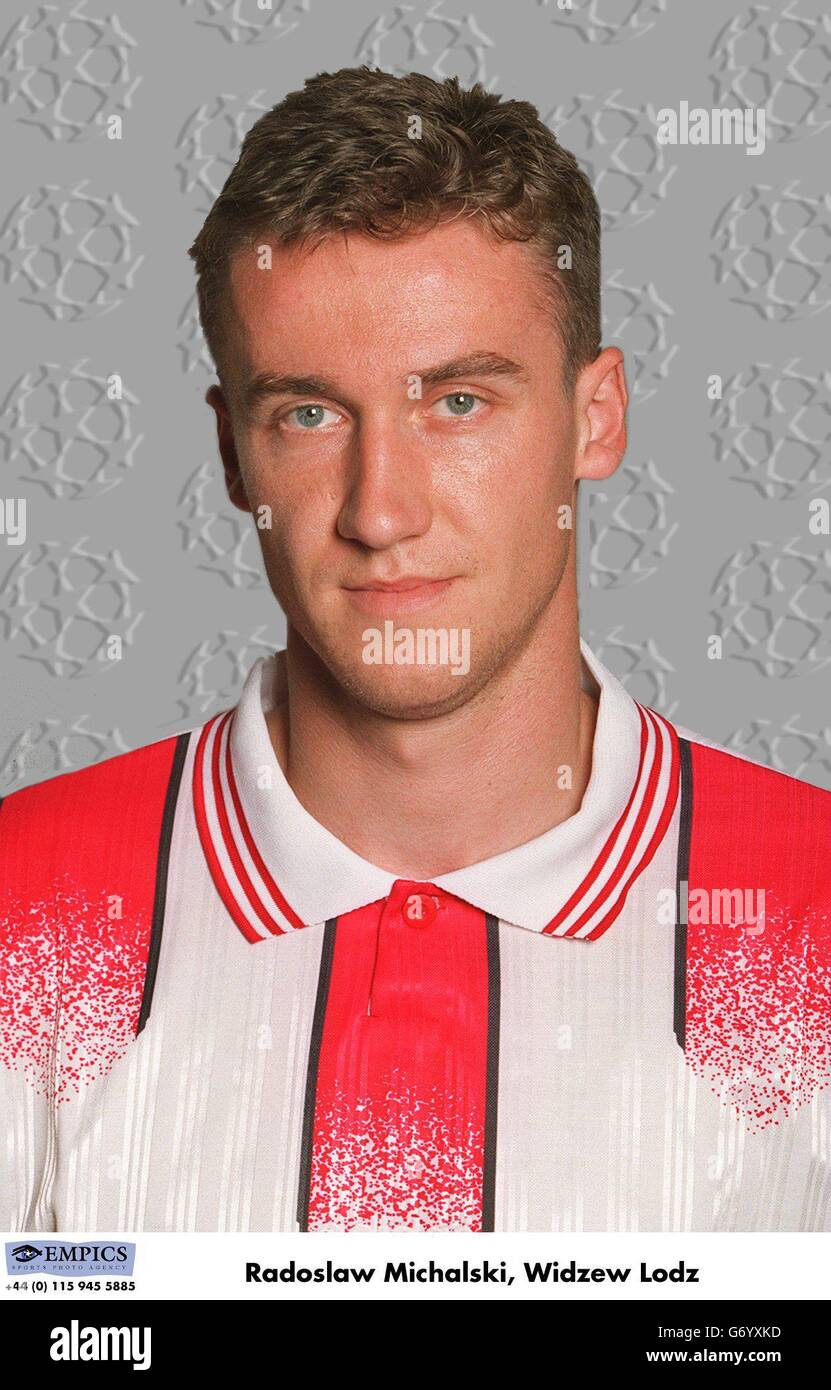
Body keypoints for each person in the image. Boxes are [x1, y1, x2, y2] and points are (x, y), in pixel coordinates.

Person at [2, 67, 829, 1233]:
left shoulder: (811, 910)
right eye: (310, 414)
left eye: (458, 403)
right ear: (233, 454)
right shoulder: (24, 911)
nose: (380, 510)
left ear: (596, 417)